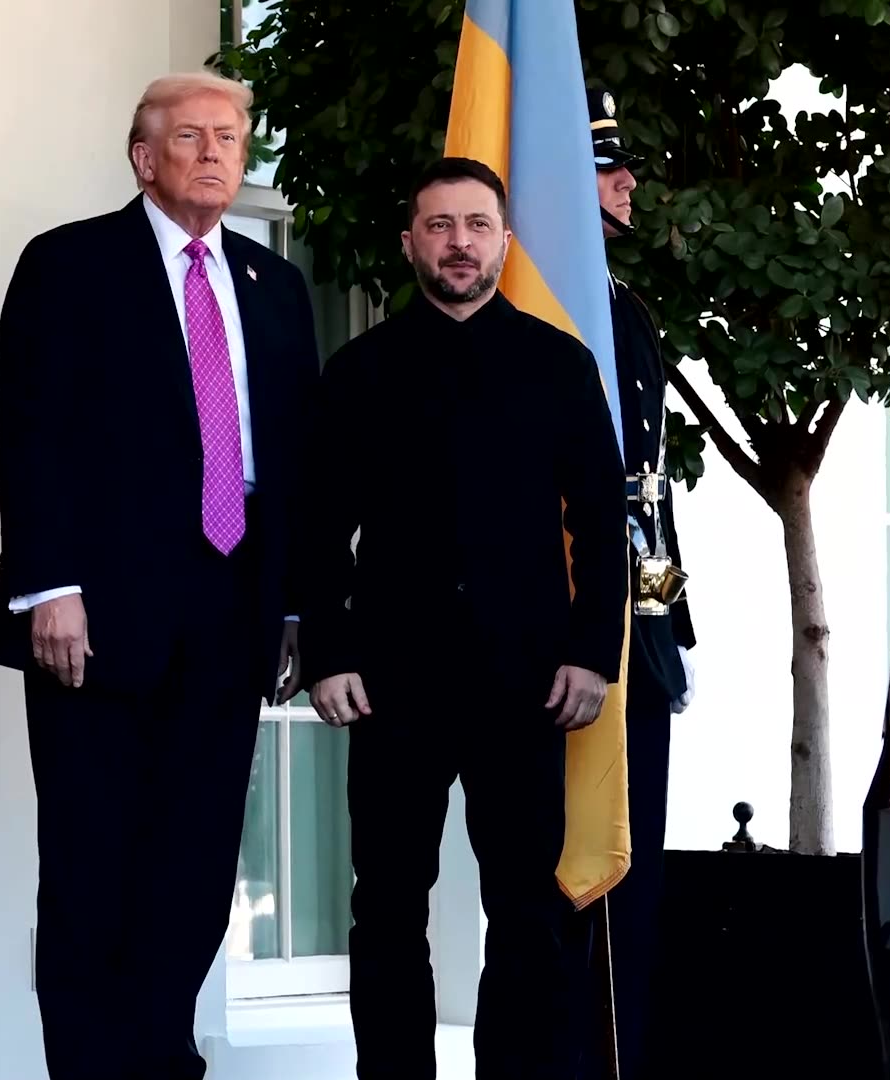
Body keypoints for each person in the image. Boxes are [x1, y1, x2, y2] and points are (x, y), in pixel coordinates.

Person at [0, 71, 321, 1080]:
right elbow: (32, 428)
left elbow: (295, 459)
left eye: (231, 136)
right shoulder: (70, 264)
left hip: (231, 611)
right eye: (191, 137)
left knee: (193, 869)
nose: (217, 153)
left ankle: (158, 1061)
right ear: (144, 157)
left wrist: (297, 605)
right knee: (92, 873)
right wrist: (50, 583)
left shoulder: (276, 287)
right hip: (100, 615)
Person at [301, 156, 628, 1080]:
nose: (458, 244)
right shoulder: (359, 372)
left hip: (528, 681)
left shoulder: (559, 365)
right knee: (388, 905)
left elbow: (604, 525)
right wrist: (327, 651)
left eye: (476, 226)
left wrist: (591, 654)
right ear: (410, 242)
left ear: (504, 242)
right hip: (390, 682)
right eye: (439, 227)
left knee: (526, 905)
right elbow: (318, 528)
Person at [569, 86, 701, 1080]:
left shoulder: (628, 309)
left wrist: (667, 624)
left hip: (636, 634)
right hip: (564, 632)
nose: (628, 183)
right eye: (607, 168)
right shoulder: (547, 312)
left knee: (637, 882)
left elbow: (645, 491)